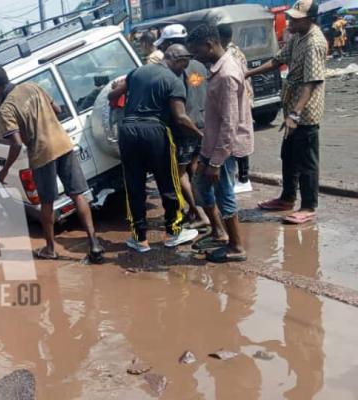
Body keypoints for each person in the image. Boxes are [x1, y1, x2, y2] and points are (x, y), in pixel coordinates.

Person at [0, 66, 105, 263]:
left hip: (42, 153)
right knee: (77, 194)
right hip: (63, 144)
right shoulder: (32, 86)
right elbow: (56, 109)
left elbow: (16, 143)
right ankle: (94, 244)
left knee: (46, 203)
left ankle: (50, 249)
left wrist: (4, 170)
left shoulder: (6, 109)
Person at [107, 44, 203, 253]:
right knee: (168, 183)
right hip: (155, 132)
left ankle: (140, 239)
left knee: (135, 186)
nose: (187, 68)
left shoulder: (137, 72)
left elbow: (112, 95)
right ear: (177, 59)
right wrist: (201, 135)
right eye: (185, 62)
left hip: (128, 132)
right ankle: (173, 233)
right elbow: (180, 117)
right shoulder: (173, 81)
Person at [248, 0, 327, 225]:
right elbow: (277, 60)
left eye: (295, 18)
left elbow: (311, 82)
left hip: (305, 113)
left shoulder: (314, 42)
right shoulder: (297, 37)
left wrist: (295, 115)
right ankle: (287, 198)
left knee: (307, 161)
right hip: (291, 108)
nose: (290, 21)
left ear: (310, 19)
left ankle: (309, 206)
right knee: (288, 156)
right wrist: (248, 73)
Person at [187, 24, 254, 263]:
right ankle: (218, 231)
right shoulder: (217, 68)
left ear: (209, 45)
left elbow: (230, 123)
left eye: (197, 52)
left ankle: (236, 247)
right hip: (211, 142)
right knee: (200, 186)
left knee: (223, 192)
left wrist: (216, 161)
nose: (196, 58)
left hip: (222, 148)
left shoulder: (226, 74)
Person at [144, 24, 212, 231]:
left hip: (184, 128)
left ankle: (200, 213)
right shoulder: (199, 65)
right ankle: (199, 211)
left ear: (169, 45)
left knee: (178, 173)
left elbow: (178, 108)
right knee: (193, 169)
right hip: (202, 123)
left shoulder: (176, 70)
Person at [219, 24, 255, 194]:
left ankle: (243, 179)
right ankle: (241, 178)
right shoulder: (236, 50)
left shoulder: (230, 54)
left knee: (239, 138)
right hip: (244, 95)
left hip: (240, 97)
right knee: (239, 136)